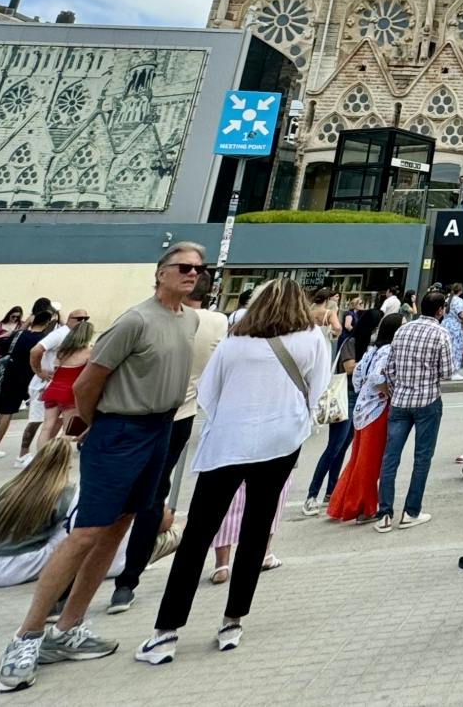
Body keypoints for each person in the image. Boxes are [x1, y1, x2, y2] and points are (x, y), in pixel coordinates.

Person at [0, 241, 204, 693]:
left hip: (160, 429)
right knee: (86, 530)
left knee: (118, 526)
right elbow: (89, 381)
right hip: (121, 430)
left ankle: (69, 627)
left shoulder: (188, 319)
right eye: (182, 268)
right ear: (161, 273)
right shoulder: (135, 320)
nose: (191, 275)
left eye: (197, 270)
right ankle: (26, 637)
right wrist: (96, 421)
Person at [134, 277, 328, 664]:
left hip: (228, 442)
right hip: (281, 441)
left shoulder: (235, 341)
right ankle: (232, 621)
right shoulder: (311, 339)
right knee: (256, 530)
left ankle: (166, 631)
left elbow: (208, 393)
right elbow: (317, 387)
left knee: (198, 533)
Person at [109, 268, 226, 615]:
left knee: (117, 499)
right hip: (181, 416)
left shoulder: (147, 318)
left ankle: (81, 581)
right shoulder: (217, 322)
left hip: (135, 416)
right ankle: (127, 580)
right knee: (153, 495)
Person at [0, 437, 130, 589]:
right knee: (76, 525)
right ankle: (112, 564)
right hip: (16, 566)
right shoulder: (64, 492)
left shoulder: (9, 487)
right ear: (67, 465)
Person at [375, 289, 457, 532]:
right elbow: (448, 372)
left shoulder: (402, 330)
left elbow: (389, 368)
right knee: (422, 457)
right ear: (441, 310)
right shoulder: (441, 335)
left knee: (390, 457)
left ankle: (384, 513)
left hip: (400, 400)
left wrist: (394, 388)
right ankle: (411, 511)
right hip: (427, 400)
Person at [329, 312, 397, 523]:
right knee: (370, 461)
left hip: (362, 407)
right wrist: (387, 390)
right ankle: (362, 506)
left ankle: (344, 502)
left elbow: (358, 375)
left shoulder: (372, 350)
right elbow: (377, 376)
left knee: (358, 458)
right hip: (377, 409)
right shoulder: (388, 351)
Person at [0, 300, 57, 462]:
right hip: (20, 378)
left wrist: (26, 324)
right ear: (46, 323)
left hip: (4, 374)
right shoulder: (42, 340)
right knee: (6, 413)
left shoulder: (19, 334)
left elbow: (4, 346)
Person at [304, 309, 367, 514]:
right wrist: (369, 363)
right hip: (343, 395)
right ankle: (312, 494)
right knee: (334, 447)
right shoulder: (351, 342)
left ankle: (331, 490)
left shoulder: (365, 346)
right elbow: (349, 368)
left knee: (342, 447)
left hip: (355, 396)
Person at [34, 314, 94, 449]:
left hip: (52, 390)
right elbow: (90, 374)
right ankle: (61, 460)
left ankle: (41, 458)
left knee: (47, 427)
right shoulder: (88, 352)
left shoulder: (62, 351)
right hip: (69, 393)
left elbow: (55, 370)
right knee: (69, 430)